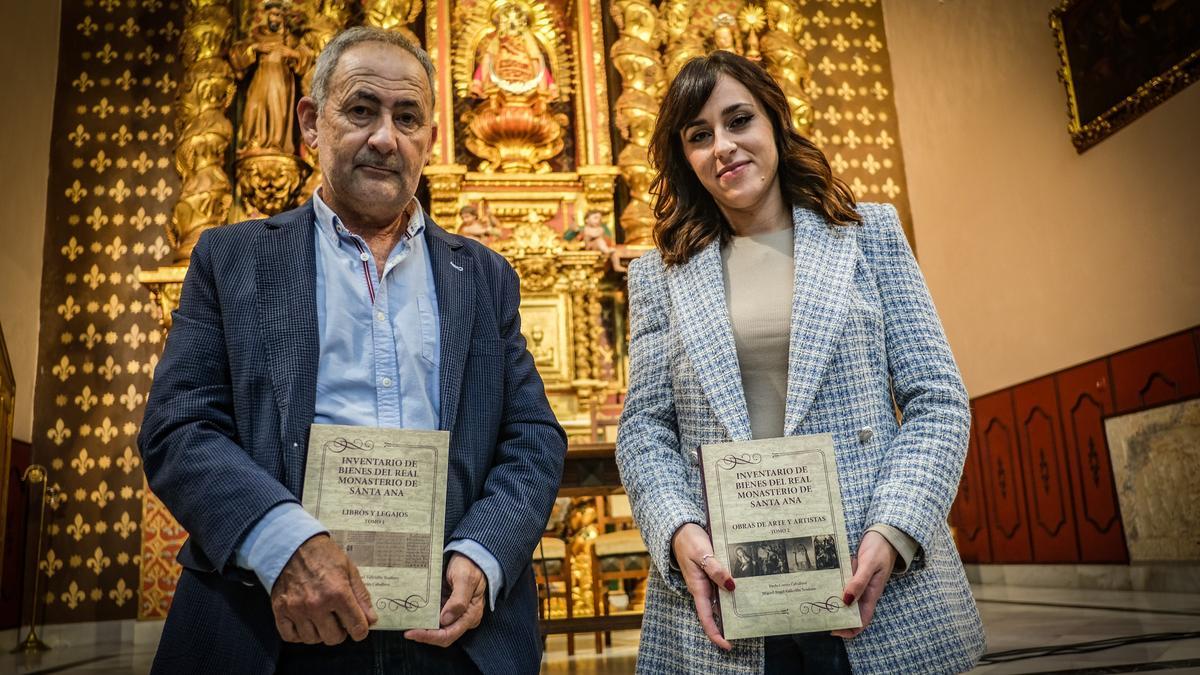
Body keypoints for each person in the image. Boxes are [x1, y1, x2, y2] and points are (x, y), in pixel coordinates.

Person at [139, 27, 566, 675]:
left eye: (407, 117)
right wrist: (285, 541)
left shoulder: (483, 276)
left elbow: (532, 437)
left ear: (429, 136)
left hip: (450, 638)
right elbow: (179, 427)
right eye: (361, 110)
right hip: (273, 627)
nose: (385, 137)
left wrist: (483, 549)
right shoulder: (232, 260)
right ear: (311, 122)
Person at [615, 51, 984, 674]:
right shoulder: (661, 276)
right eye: (699, 136)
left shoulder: (868, 234)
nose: (723, 147)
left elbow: (937, 400)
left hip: (872, 573)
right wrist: (679, 532)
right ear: (685, 159)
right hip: (729, 586)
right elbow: (645, 431)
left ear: (775, 125)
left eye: (739, 121)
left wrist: (892, 530)